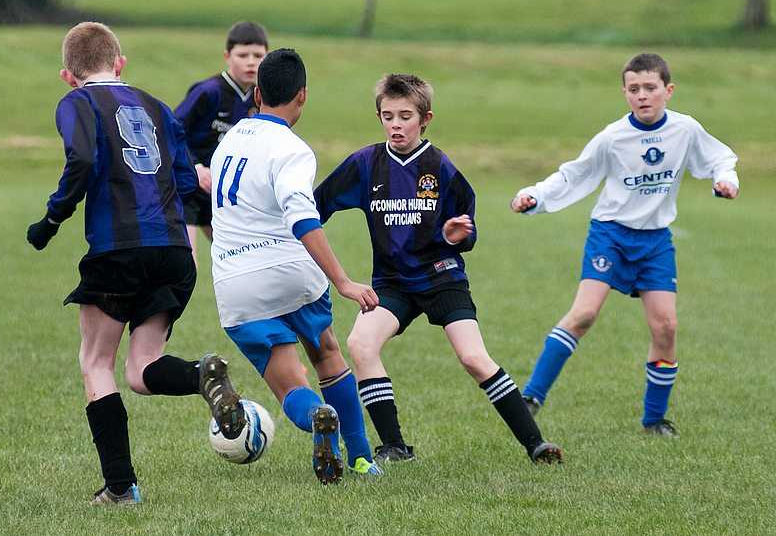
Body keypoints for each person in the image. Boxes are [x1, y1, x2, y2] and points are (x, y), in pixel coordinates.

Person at [26, 21, 246, 505]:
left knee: (95, 362)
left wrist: (51, 219)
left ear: (69, 76)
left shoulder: (76, 102)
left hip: (119, 250)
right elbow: (187, 180)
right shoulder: (156, 105)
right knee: (140, 369)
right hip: (173, 251)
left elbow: (81, 160)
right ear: (120, 64)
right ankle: (199, 375)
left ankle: (122, 487)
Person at [314, 73, 563, 465]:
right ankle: (394, 446)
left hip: (441, 275)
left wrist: (454, 235)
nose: (396, 124)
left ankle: (536, 445)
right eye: (388, 115)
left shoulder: (440, 167)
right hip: (393, 284)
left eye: (405, 116)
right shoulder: (365, 164)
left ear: (425, 118)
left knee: (473, 358)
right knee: (360, 345)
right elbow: (315, 208)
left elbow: (467, 231)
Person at [512, 53, 739, 438]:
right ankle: (530, 398)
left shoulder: (685, 129)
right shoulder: (613, 137)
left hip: (655, 241)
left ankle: (654, 420)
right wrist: (535, 195)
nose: (642, 96)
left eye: (650, 88)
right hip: (611, 235)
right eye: (634, 89)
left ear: (668, 91)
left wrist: (725, 178)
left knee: (666, 327)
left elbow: (720, 157)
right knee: (584, 314)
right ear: (625, 94)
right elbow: (575, 174)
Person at [209, 48, 383, 484]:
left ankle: (317, 416)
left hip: (238, 281)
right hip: (292, 270)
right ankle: (362, 457)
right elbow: (302, 216)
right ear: (302, 96)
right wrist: (341, 280)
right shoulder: (292, 149)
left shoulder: (227, 141)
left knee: (291, 387)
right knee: (326, 353)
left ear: (257, 93)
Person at [174, 21, 269, 264]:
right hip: (188, 185)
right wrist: (195, 168)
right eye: (242, 55)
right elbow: (172, 130)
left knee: (242, 262)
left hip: (221, 191)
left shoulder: (261, 98)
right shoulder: (209, 91)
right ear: (227, 56)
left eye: (258, 55)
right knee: (187, 266)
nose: (251, 62)